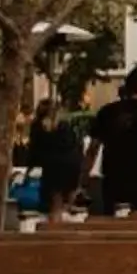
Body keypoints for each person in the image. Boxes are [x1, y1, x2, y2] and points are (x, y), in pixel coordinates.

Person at [84, 65, 137, 215]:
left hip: (113, 181)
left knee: (113, 226)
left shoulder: (106, 112)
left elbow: (92, 149)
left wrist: (83, 181)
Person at [23, 90, 85, 222]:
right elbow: (75, 145)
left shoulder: (38, 126)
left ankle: (56, 231)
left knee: (55, 204)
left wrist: (28, 172)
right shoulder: (64, 125)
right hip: (72, 165)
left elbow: (34, 150)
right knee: (67, 204)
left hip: (53, 167)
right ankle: (67, 226)